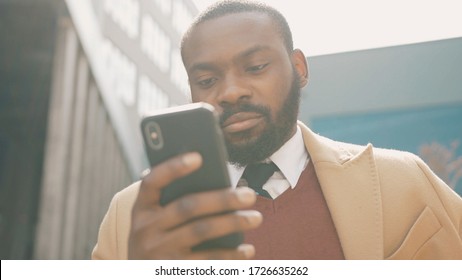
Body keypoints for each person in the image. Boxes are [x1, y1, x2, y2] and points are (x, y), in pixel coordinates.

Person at [92, 0, 462, 260]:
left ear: (298, 67)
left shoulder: (404, 182)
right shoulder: (133, 215)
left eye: (255, 67)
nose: (231, 91)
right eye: (206, 79)